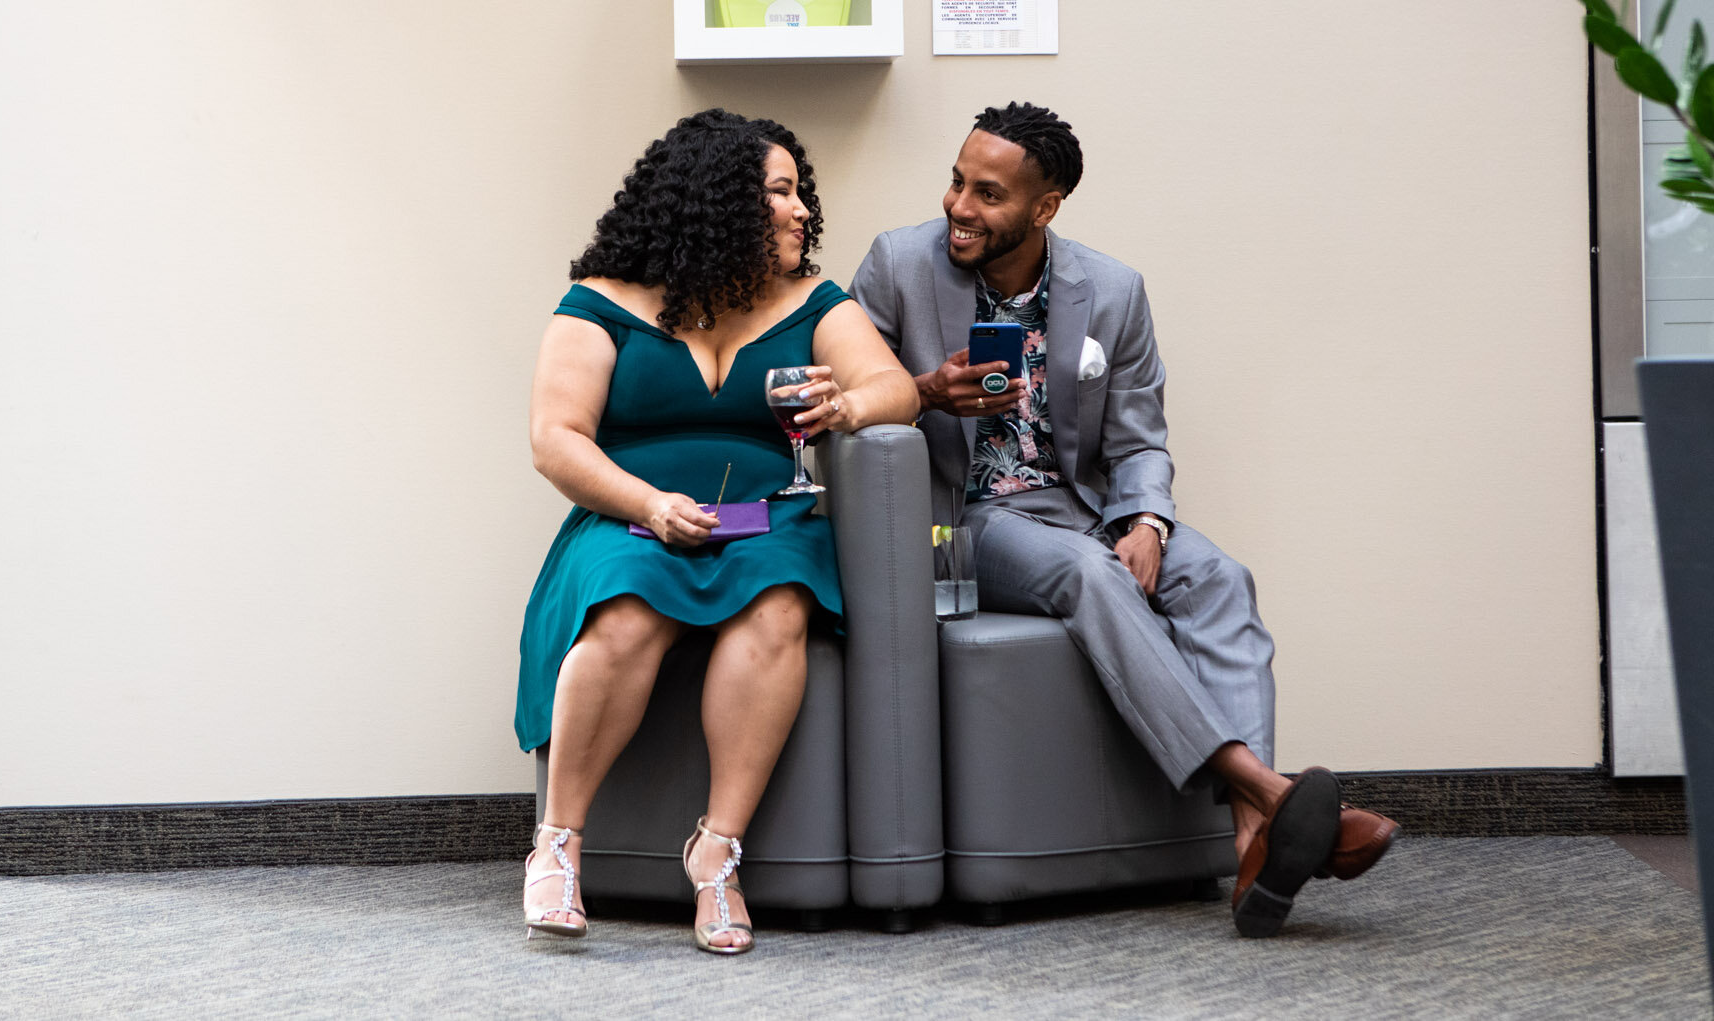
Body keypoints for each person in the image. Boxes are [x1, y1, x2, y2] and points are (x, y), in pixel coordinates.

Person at [850, 102, 1398, 938]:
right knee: (1088, 572)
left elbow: (1140, 437)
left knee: (1217, 575)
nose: (960, 206)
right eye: (957, 181)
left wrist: (1146, 519)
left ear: (1046, 207)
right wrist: (926, 390)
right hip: (967, 520)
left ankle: (1256, 841)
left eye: (989, 194)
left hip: (1084, 510)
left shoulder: (1112, 291)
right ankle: (1267, 789)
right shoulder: (896, 266)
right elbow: (849, 398)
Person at [518, 109, 917, 954]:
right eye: (781, 191)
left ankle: (717, 853)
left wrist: (846, 404)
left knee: (778, 604)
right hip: (630, 511)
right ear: (719, 200)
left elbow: (896, 389)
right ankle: (558, 843)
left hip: (768, 517)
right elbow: (556, 438)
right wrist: (650, 504)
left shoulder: (813, 299)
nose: (803, 209)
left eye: (801, 191)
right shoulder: (599, 303)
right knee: (627, 606)